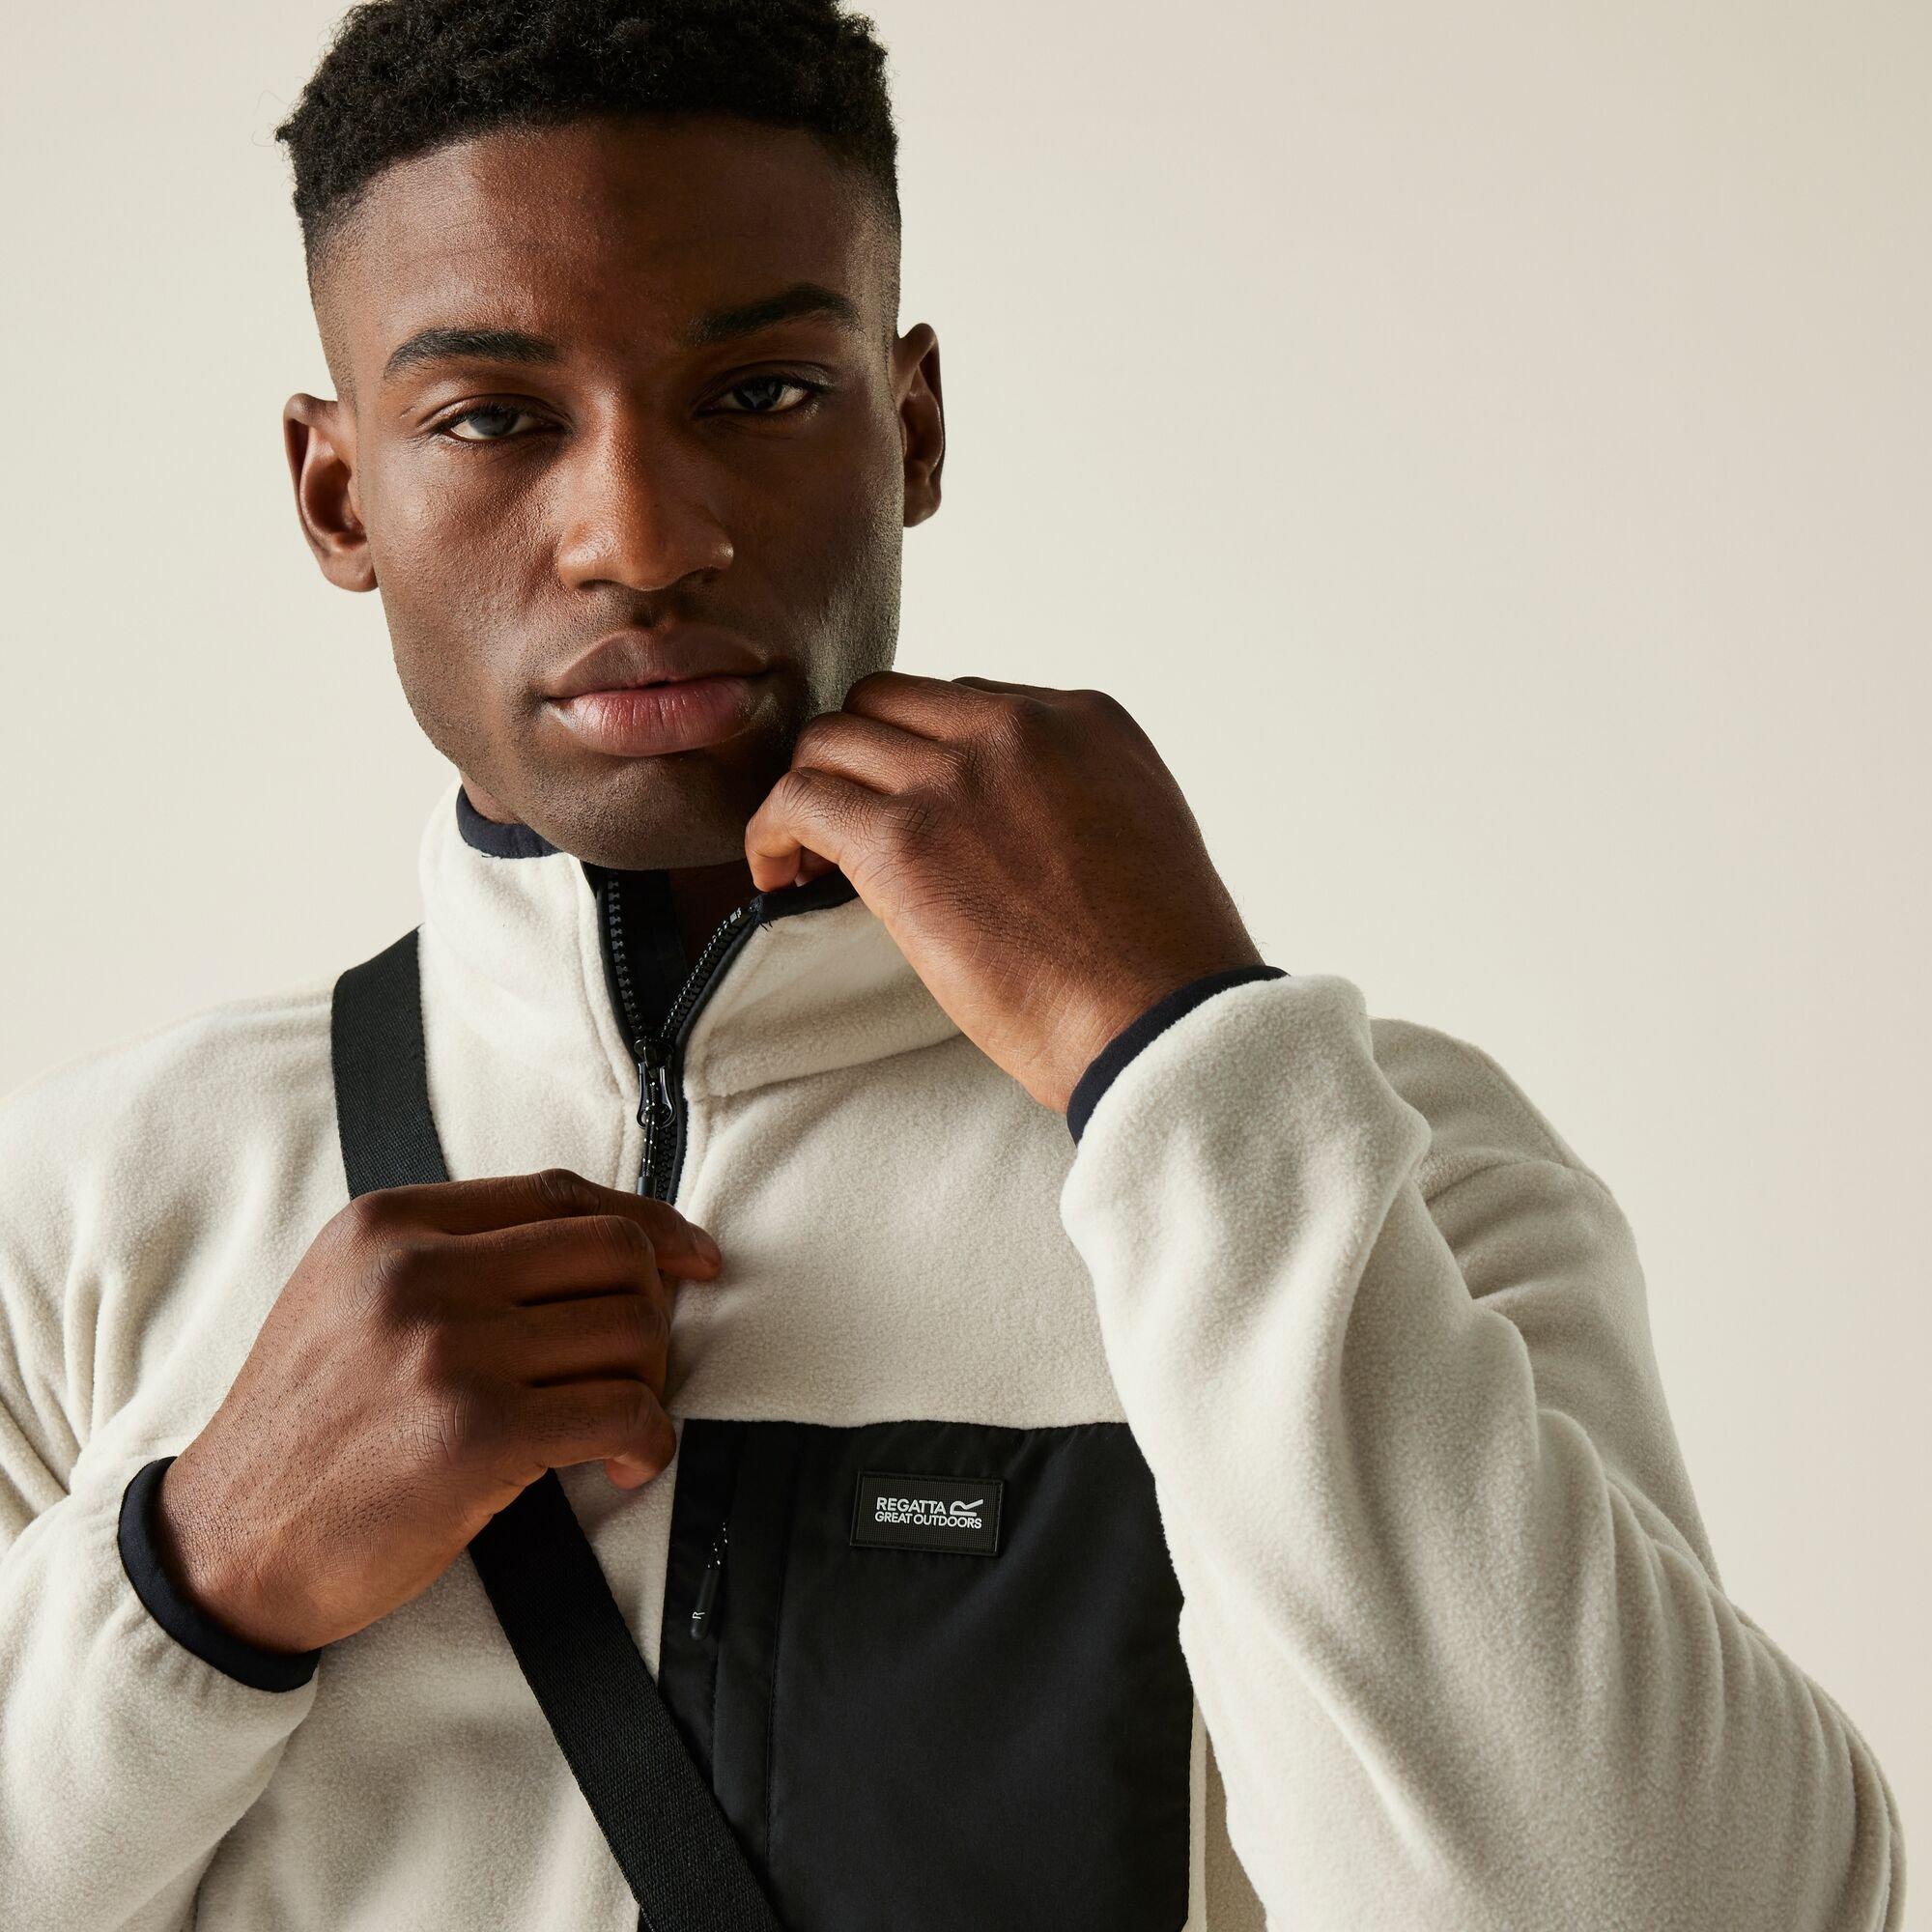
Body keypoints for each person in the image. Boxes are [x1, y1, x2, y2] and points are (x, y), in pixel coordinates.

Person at [0, 1, 1906, 1927]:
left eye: (760, 391)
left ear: (908, 427)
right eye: (494, 418)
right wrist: (190, 1578)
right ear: (338, 494)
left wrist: (1176, 1059)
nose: (640, 539)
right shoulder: (93, 1213)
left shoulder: (1372, 1162)